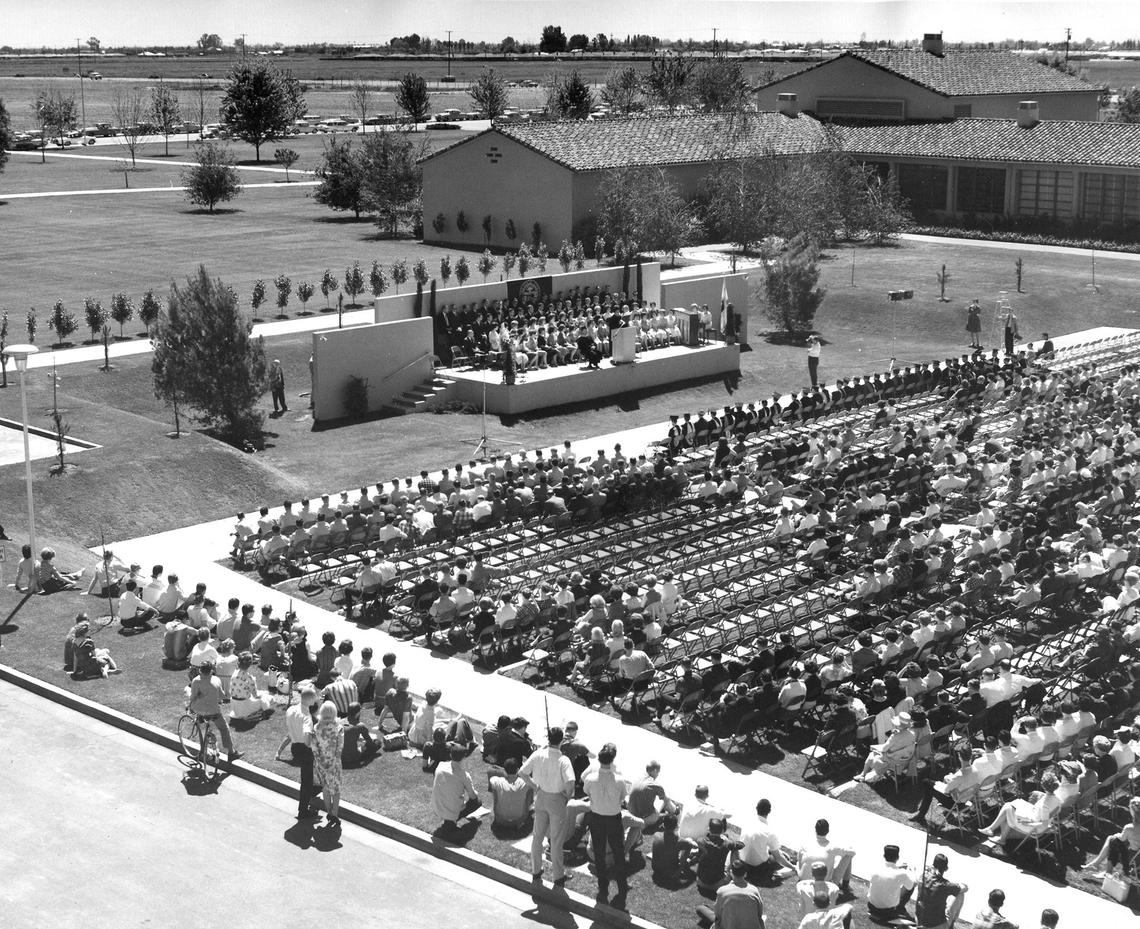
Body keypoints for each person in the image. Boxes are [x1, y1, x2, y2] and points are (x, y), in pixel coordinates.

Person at [520, 726, 575, 885]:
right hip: (557, 799)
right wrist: (567, 796)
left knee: (537, 837)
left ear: (548, 738)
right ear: (561, 740)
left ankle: (536, 871)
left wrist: (534, 786)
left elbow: (522, 773)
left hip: (541, 797)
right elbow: (570, 782)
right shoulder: (563, 760)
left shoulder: (538, 754)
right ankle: (558, 876)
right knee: (556, 841)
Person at [583, 742, 631, 907]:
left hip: (597, 819)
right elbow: (622, 798)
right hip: (613, 819)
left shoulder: (590, 778)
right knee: (619, 853)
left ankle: (602, 888)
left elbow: (587, 792)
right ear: (612, 760)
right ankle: (622, 886)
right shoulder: (619, 780)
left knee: (599, 854)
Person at [187, 662, 237, 762]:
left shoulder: (196, 681)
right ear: (211, 671)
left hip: (199, 710)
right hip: (214, 711)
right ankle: (231, 752)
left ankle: (203, 751)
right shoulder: (216, 680)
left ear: (200, 670)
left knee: (201, 728)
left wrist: (189, 705)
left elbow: (192, 697)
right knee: (224, 728)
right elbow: (222, 696)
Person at [696, 859, 764, 929]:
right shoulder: (754, 890)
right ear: (745, 874)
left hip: (728, 925)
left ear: (731, 872)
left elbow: (718, 915)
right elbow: (759, 913)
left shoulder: (722, 891)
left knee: (700, 908)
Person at [739, 798, 796, 881]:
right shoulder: (769, 831)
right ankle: (777, 874)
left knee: (772, 850)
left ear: (756, 809)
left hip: (744, 862)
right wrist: (793, 867)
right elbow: (778, 857)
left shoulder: (746, 824)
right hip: (758, 867)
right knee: (785, 857)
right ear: (769, 811)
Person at [1083, 796, 1140, 877]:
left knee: (1113, 840)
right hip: (1138, 857)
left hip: (1130, 857)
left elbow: (1121, 838)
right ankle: (1096, 865)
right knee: (1113, 840)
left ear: (1133, 811)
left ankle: (1103, 869)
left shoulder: (1130, 827)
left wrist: (1117, 835)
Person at [432, 742, 481, 832]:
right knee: (477, 802)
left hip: (437, 807)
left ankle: (450, 821)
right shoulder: (464, 775)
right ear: (463, 758)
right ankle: (451, 822)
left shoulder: (440, 766)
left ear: (451, 755)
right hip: (451, 811)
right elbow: (473, 796)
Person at [310, 700, 344, 827]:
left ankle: (329, 811)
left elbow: (314, 748)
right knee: (336, 789)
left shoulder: (316, 728)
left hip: (321, 763)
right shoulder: (339, 728)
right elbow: (339, 748)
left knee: (325, 787)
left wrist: (320, 762)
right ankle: (334, 813)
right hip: (334, 764)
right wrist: (333, 763)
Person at [915, 853, 967, 929]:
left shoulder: (922, 876)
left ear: (933, 865)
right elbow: (965, 888)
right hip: (936, 926)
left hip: (919, 921)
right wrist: (960, 884)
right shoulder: (945, 885)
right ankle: (951, 924)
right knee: (960, 893)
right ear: (946, 869)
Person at [866, 844, 915, 924]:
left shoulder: (875, 867)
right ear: (897, 857)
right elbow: (910, 886)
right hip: (888, 912)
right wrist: (910, 872)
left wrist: (898, 868)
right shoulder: (902, 873)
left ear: (884, 856)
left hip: (872, 907)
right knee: (912, 883)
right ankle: (900, 908)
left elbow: (887, 873)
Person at [628, 760, 680, 833]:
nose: (658, 774)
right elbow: (665, 800)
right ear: (655, 771)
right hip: (644, 818)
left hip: (630, 812)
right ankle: (675, 810)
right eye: (658, 772)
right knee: (664, 800)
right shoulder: (655, 785)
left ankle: (667, 812)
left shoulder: (637, 779)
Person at [488, 757, 533, 832]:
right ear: (518, 770)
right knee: (530, 789)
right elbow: (533, 782)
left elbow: (491, 776)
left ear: (504, 770)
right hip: (520, 820)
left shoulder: (496, 781)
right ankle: (527, 811)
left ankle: (498, 810)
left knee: (495, 789)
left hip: (500, 820)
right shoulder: (525, 782)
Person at [651, 813, 696, 886]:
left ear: (663, 824)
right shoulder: (679, 841)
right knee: (690, 848)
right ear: (676, 826)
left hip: (655, 868)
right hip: (670, 871)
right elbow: (689, 845)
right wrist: (678, 872)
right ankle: (681, 868)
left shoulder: (656, 835)